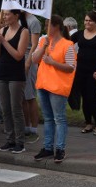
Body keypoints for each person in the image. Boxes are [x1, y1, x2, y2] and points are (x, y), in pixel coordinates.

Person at [32, 15, 77, 163]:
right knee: (48, 118)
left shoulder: (67, 44)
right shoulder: (44, 41)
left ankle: (60, 149)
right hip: (43, 84)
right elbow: (34, 59)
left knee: (59, 118)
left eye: (48, 25)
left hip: (57, 87)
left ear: (56, 26)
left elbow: (71, 68)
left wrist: (52, 62)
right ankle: (47, 148)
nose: (46, 28)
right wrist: (43, 47)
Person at [0, 9, 30, 153]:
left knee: (16, 109)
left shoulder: (24, 31)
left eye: (8, 14)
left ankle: (20, 142)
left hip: (15, 74)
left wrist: (4, 42)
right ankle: (10, 140)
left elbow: (19, 55)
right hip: (1, 73)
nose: (5, 17)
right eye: (4, 14)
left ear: (16, 16)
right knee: (5, 109)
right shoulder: (2, 30)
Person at [73, 10, 96, 135]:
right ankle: (88, 123)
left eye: (90, 20)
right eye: (86, 20)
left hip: (95, 71)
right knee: (84, 98)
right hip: (80, 70)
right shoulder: (79, 34)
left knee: (92, 98)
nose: (87, 22)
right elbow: (66, 44)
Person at [22, 11, 42, 142]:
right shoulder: (19, 19)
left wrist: (29, 61)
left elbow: (35, 44)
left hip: (28, 57)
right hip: (19, 56)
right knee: (22, 96)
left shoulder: (33, 21)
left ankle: (34, 128)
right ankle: (25, 126)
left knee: (29, 95)